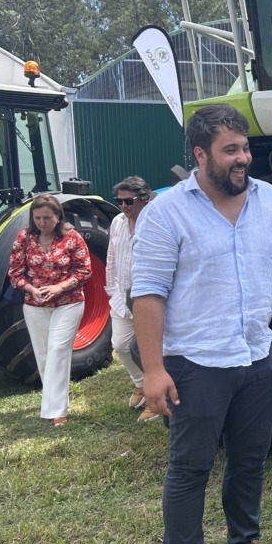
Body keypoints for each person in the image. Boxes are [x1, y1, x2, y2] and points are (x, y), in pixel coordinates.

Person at [131, 104, 272, 544]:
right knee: (190, 468)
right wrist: (153, 370)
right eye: (230, 150)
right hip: (195, 363)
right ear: (200, 154)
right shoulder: (167, 212)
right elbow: (147, 295)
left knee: (250, 459)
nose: (243, 158)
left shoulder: (268, 199)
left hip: (256, 355)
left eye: (245, 148)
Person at [8, 194, 92, 426]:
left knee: (57, 350)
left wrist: (59, 287)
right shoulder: (24, 238)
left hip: (69, 301)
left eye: (47, 218)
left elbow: (84, 270)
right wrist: (31, 289)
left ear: (58, 217)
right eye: (37, 218)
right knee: (44, 355)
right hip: (35, 304)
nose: (42, 223)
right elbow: (15, 273)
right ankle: (53, 402)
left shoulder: (72, 238)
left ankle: (57, 412)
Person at [105, 175, 160, 423]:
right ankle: (140, 383)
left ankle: (155, 399)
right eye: (119, 201)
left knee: (147, 349)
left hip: (148, 298)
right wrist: (112, 290)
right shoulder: (117, 222)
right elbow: (111, 257)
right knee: (120, 344)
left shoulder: (156, 223)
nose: (123, 206)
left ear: (144, 198)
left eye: (128, 201)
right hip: (121, 294)